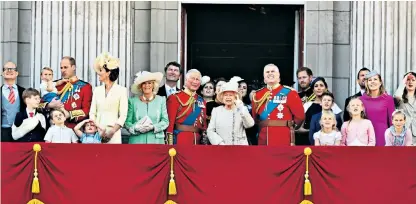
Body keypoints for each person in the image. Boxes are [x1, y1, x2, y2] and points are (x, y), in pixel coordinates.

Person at [251, 64, 305, 146]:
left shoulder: (290, 93)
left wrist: (291, 128)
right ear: (264, 77)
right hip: (263, 138)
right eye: (267, 72)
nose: (270, 73)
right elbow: (255, 118)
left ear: (279, 75)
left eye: (273, 71)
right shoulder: (257, 95)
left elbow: (300, 117)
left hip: (283, 137)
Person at [42, 56, 93, 129]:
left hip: (72, 128)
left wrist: (69, 114)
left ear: (73, 67)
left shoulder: (85, 87)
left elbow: (86, 110)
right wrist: (49, 105)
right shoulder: (53, 84)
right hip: (53, 128)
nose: (63, 70)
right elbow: (39, 105)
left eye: (65, 67)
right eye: (61, 68)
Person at [89, 52, 128, 144]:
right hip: (97, 132)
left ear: (108, 72)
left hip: (113, 133)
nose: (98, 73)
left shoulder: (122, 90)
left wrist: (112, 131)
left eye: (101, 70)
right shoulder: (97, 90)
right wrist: (97, 129)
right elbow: (92, 112)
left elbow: (123, 115)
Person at [125, 71, 169, 144]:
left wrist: (153, 127)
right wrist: (135, 127)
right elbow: (127, 123)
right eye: (144, 83)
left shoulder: (161, 100)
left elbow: (165, 121)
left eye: (149, 83)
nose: (147, 85)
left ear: (153, 85)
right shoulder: (132, 101)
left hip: (156, 142)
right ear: (140, 86)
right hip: (137, 141)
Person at [166, 69, 207, 145]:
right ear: (186, 80)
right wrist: (169, 143)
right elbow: (170, 124)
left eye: (197, 79)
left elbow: (203, 125)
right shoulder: (174, 98)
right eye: (192, 78)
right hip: (180, 139)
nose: (195, 81)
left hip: (197, 141)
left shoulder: (202, 101)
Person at [207, 81, 254, 145]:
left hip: (240, 149)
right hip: (222, 149)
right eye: (225, 95)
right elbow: (210, 131)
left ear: (235, 97)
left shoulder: (241, 109)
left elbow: (250, 124)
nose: (228, 97)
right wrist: (220, 143)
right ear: (222, 97)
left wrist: (241, 106)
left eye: (231, 95)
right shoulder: (216, 111)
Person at [360, 70, 395, 146]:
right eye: (370, 80)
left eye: (375, 79)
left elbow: (392, 122)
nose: (372, 82)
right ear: (366, 83)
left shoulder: (388, 99)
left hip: (383, 137)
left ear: (380, 82)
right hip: (365, 138)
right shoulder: (361, 100)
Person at [1, 61, 26, 142]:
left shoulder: (24, 91)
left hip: (20, 130)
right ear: (2, 73)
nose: (9, 70)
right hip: (3, 131)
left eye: (12, 69)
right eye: (6, 69)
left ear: (17, 73)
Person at [394, 72, 416, 145]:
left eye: (413, 80)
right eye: (408, 80)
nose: (410, 82)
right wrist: (403, 82)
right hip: (402, 134)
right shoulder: (400, 97)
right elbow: (396, 96)